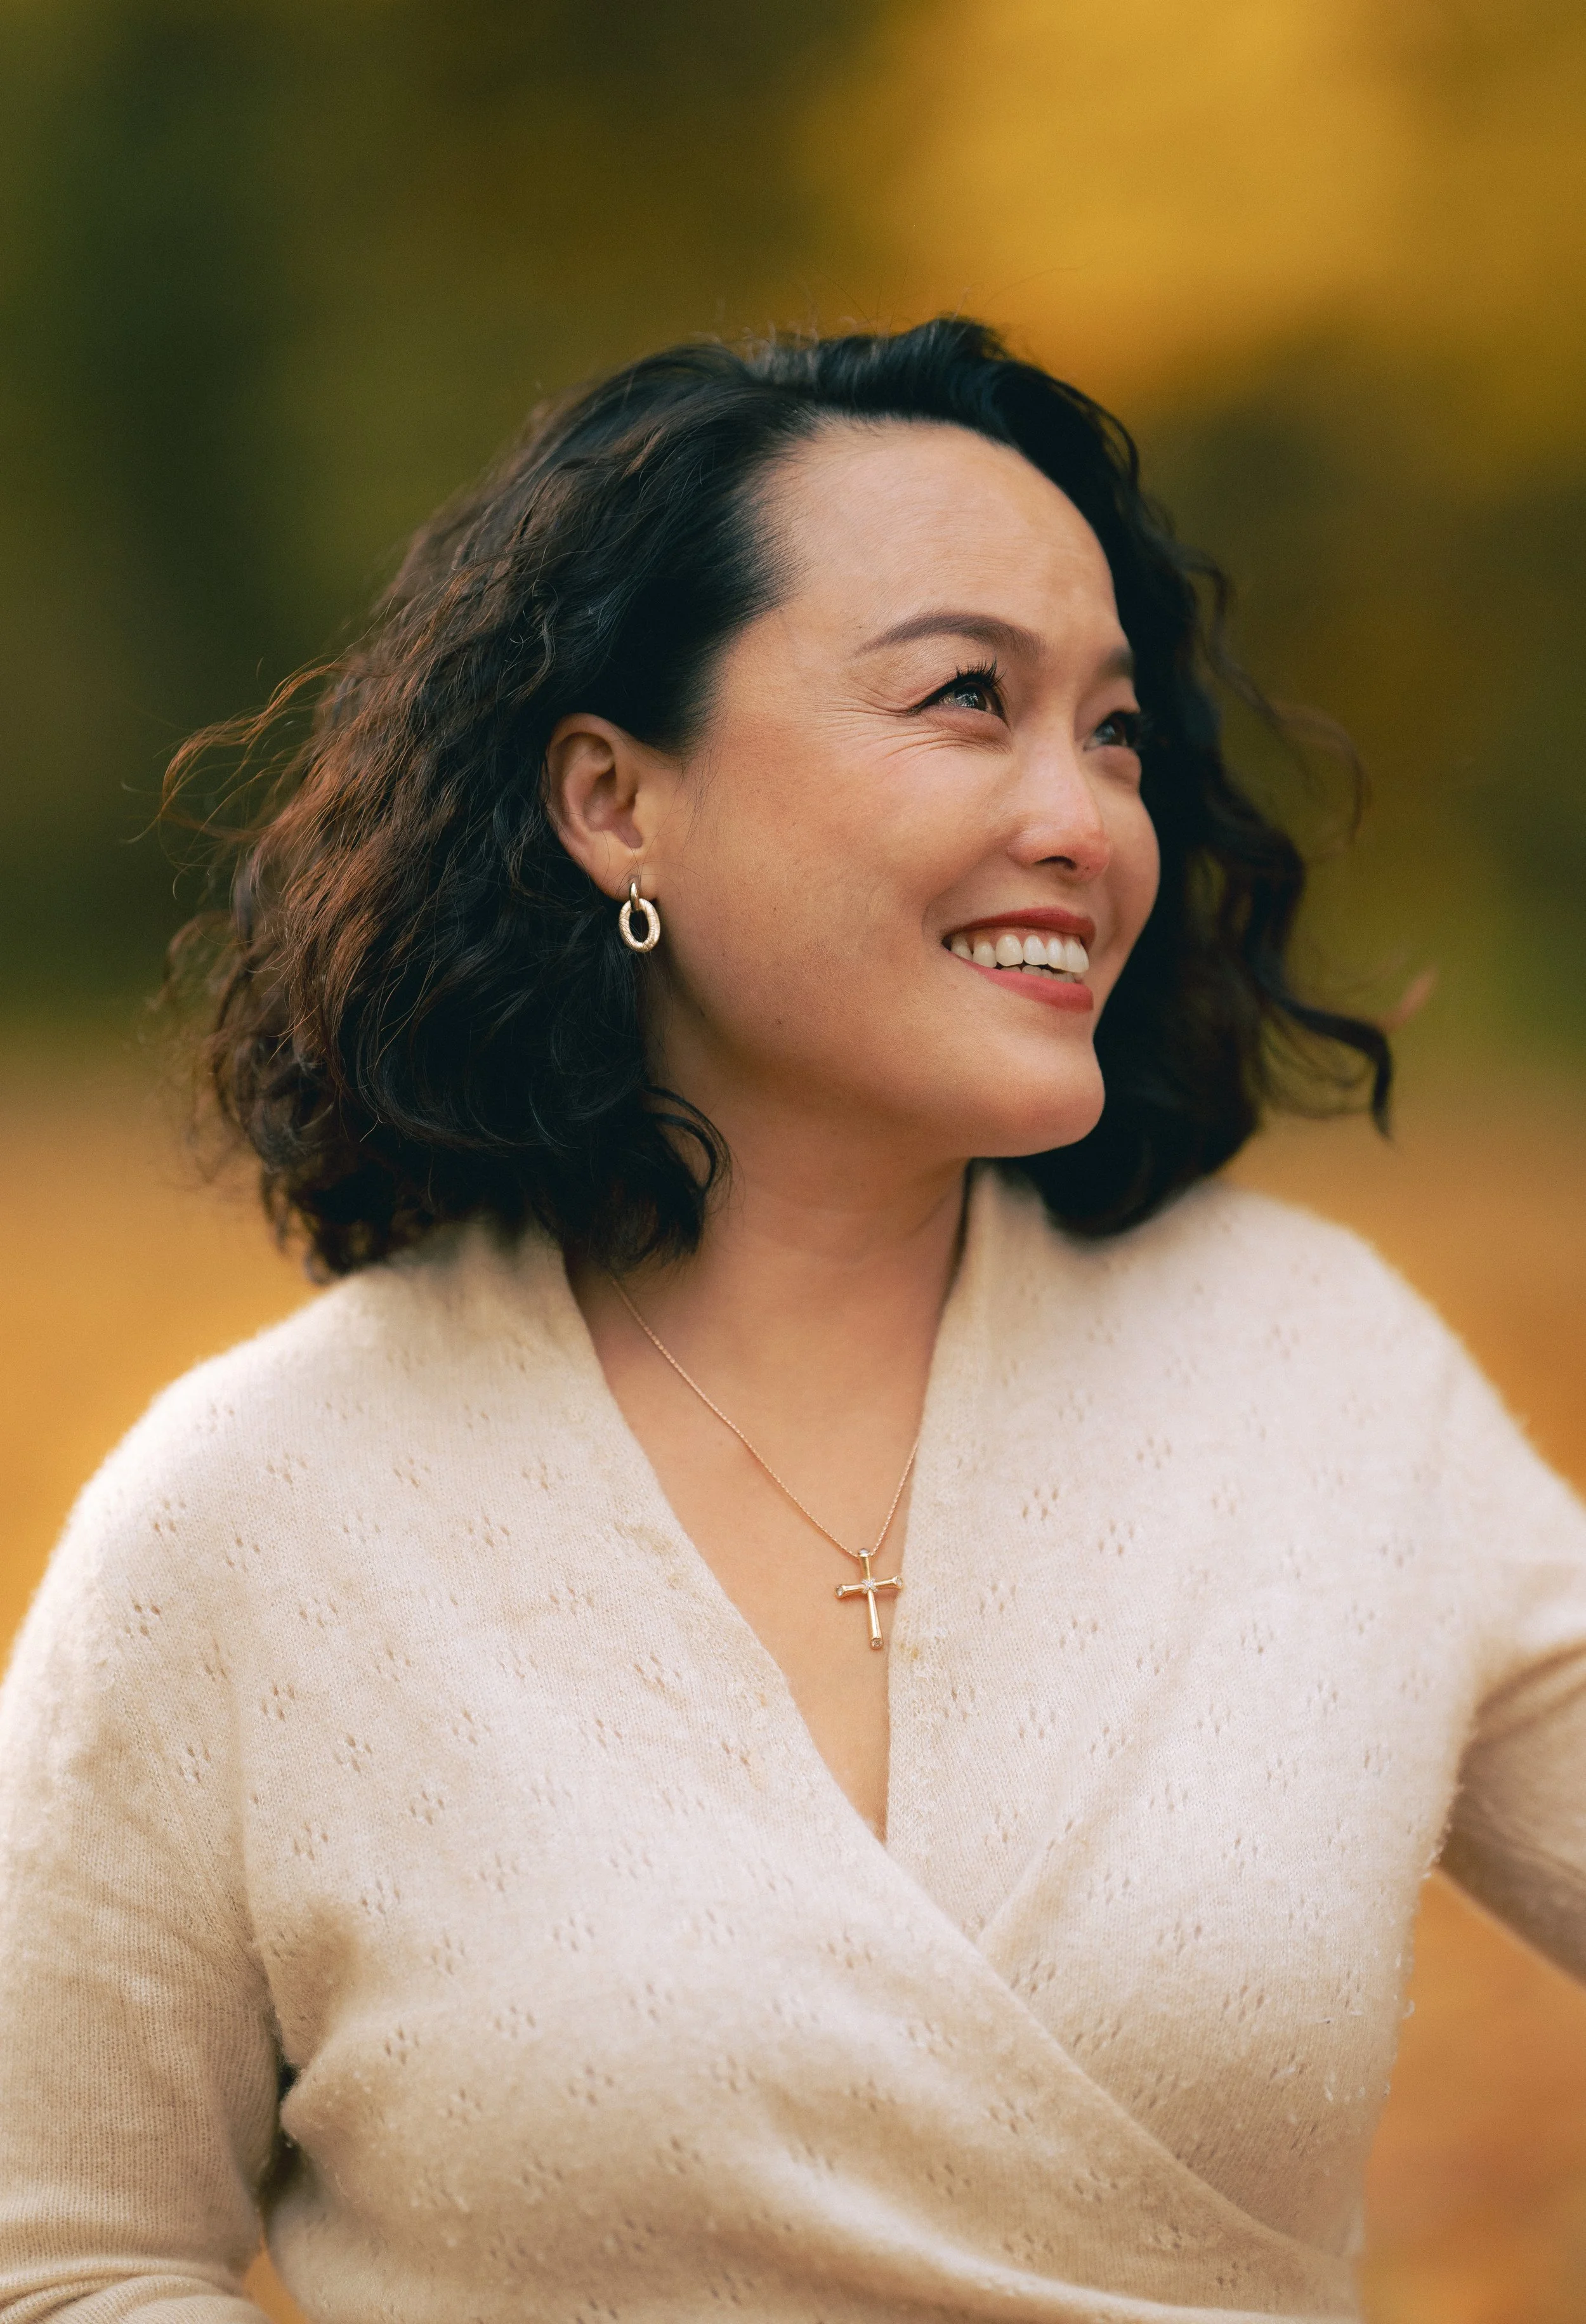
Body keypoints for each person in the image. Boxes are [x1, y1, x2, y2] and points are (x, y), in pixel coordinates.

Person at [1, 318, 1582, 2324]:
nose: (1086, 823)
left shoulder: (1319, 1377)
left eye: (1111, 731)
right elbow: (58, 2261)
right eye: (960, 701)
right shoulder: (251, 1517)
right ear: (613, 805)